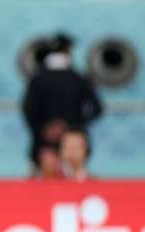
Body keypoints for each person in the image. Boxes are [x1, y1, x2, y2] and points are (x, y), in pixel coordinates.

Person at [21, 33, 103, 166]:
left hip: (44, 144)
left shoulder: (37, 80)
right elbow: (97, 109)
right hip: (74, 142)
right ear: (68, 52)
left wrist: (44, 129)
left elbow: (28, 110)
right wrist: (73, 127)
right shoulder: (79, 79)